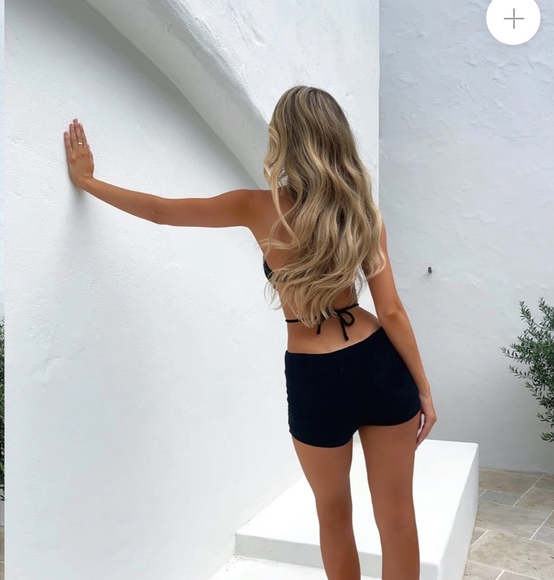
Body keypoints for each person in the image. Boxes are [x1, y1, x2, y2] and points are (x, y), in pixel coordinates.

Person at [64, 84, 437, 580]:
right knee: (398, 519)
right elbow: (390, 311)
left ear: (285, 139)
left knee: (333, 517)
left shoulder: (257, 207)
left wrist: (89, 182)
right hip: (379, 364)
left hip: (315, 376)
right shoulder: (364, 212)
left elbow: (161, 210)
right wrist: (423, 388)